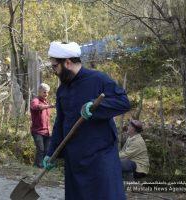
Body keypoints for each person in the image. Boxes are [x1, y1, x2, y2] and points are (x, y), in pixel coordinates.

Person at [43, 41, 130, 200]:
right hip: (75, 162)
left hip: (101, 159)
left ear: (67, 63)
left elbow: (124, 102)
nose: (53, 71)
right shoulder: (62, 89)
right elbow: (60, 124)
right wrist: (51, 153)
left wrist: (97, 106)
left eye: (55, 66)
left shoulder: (98, 79)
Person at [30, 83, 54, 168]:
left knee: (47, 150)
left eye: (47, 92)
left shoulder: (46, 102)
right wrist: (48, 106)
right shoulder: (35, 100)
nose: (46, 94)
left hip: (47, 131)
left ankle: (42, 166)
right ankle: (38, 166)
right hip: (37, 131)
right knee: (41, 149)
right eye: (44, 92)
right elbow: (35, 106)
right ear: (39, 92)